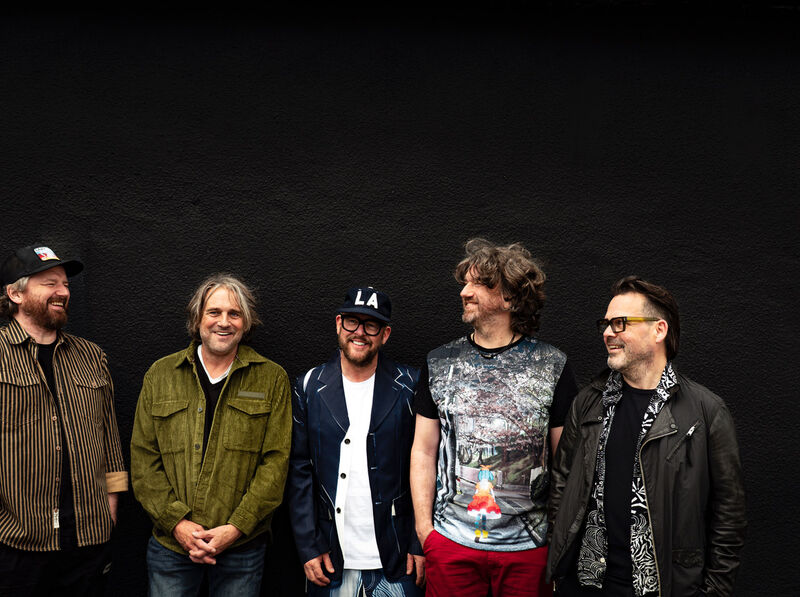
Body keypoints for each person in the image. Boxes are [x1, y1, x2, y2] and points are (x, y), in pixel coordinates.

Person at [0, 244, 128, 596]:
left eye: (65, 284)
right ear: (15, 293)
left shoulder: (91, 356)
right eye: (49, 283)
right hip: (15, 549)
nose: (63, 292)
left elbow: (110, 444)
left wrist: (109, 518)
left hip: (87, 545)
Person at [547, 277, 746, 597]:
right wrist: (560, 559)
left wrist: (714, 591)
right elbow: (562, 483)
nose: (608, 332)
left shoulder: (706, 412)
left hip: (663, 586)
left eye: (620, 323)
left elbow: (729, 515)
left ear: (659, 330)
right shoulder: (588, 402)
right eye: (606, 323)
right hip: (586, 583)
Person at [410, 238, 577, 597]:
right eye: (465, 283)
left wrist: (555, 541)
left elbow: (567, 462)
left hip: (528, 550)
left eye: (479, 284)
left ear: (511, 298)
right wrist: (428, 533)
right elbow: (423, 450)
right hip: (452, 544)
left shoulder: (552, 366)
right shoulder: (440, 363)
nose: (465, 292)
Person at [131, 273, 291, 597]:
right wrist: (178, 525)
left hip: (241, 548)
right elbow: (143, 459)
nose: (224, 322)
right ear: (197, 319)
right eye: (214, 312)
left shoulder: (271, 379)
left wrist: (234, 529)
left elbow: (276, 464)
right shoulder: (161, 375)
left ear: (246, 323)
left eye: (234, 314)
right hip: (171, 548)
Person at [287, 286, 425, 596]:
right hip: (331, 558)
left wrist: (421, 541)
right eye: (352, 322)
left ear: (385, 334)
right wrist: (308, 545)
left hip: (398, 556)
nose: (360, 332)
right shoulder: (309, 386)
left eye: (371, 325)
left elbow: (430, 466)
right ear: (338, 324)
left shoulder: (412, 385)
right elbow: (299, 471)